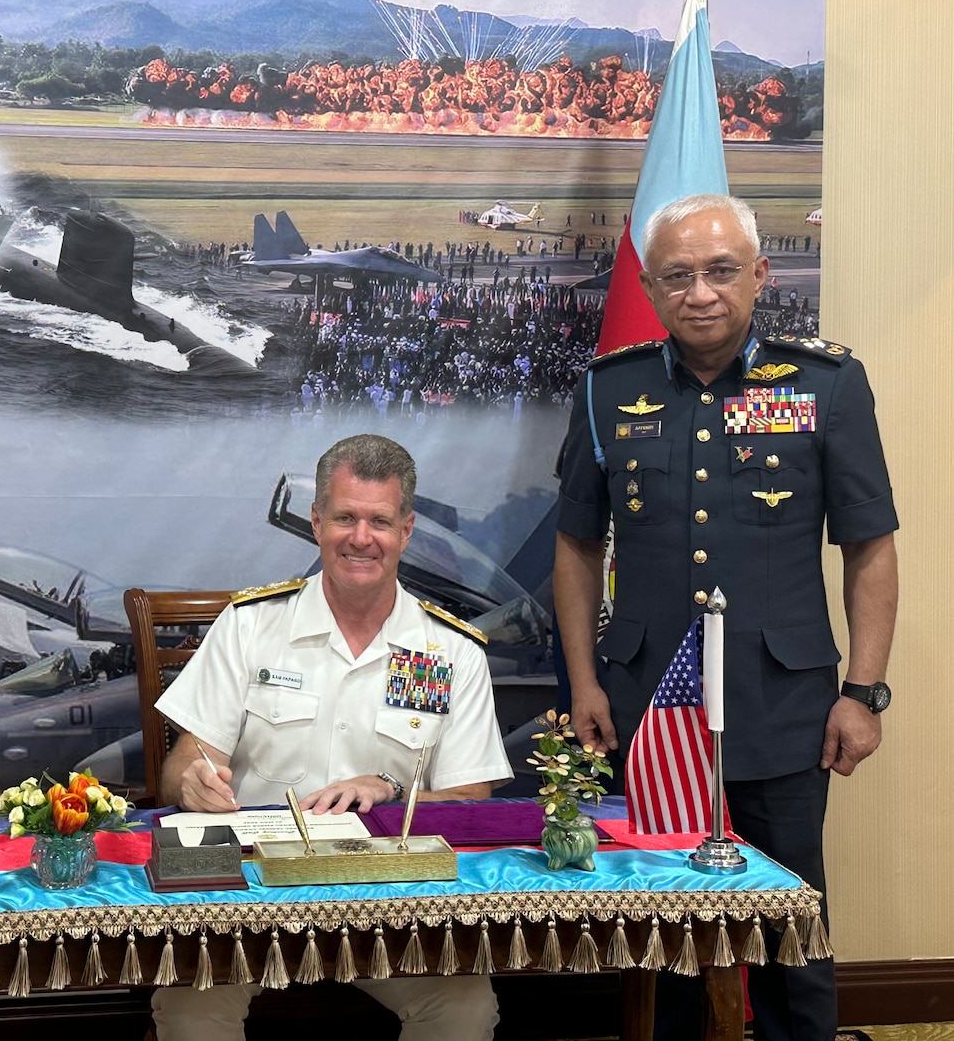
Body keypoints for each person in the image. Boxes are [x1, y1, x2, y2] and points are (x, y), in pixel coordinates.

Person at [553, 193, 898, 1041]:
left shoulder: (826, 383)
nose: (699, 292)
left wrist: (865, 689)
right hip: (646, 706)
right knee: (660, 922)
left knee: (790, 923)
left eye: (719, 271)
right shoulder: (609, 388)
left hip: (783, 702)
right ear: (650, 282)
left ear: (759, 275)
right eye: (676, 275)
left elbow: (870, 546)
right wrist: (586, 680)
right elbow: (575, 545)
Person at [153, 433, 511, 1041]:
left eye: (379, 520)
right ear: (316, 522)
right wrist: (191, 779)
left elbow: (473, 804)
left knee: (465, 1008)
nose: (360, 537)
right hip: (248, 894)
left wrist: (392, 790)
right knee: (189, 1009)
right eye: (344, 517)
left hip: (394, 904)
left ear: (407, 530)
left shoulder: (450, 651)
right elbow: (181, 767)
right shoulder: (250, 626)